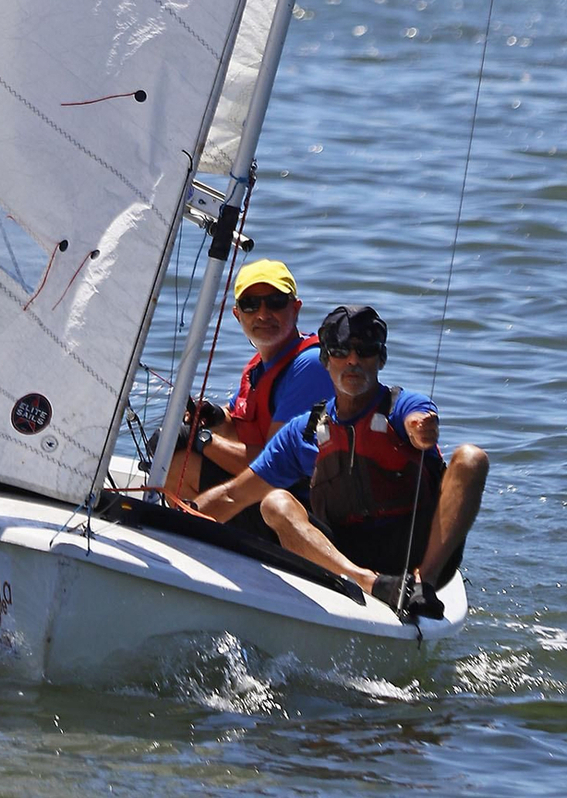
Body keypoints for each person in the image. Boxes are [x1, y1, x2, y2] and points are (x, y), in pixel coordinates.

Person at [192, 301, 488, 616]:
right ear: (325, 359)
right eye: (340, 351)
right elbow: (232, 495)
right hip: (344, 561)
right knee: (274, 503)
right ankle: (370, 583)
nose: (353, 361)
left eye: (365, 351)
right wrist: (169, 523)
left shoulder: (401, 407)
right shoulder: (303, 431)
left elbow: (419, 421)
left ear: (382, 358)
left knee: (472, 457)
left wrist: (422, 431)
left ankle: (421, 586)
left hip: (411, 552)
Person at [161, 258, 332, 510]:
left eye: (275, 302)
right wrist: (215, 417)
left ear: (295, 308)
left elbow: (275, 468)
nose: (263, 314)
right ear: (237, 314)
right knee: (174, 448)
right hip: (267, 492)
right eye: (250, 305)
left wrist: (200, 439)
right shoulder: (257, 368)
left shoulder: (310, 365)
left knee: (178, 465)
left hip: (297, 507)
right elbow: (242, 427)